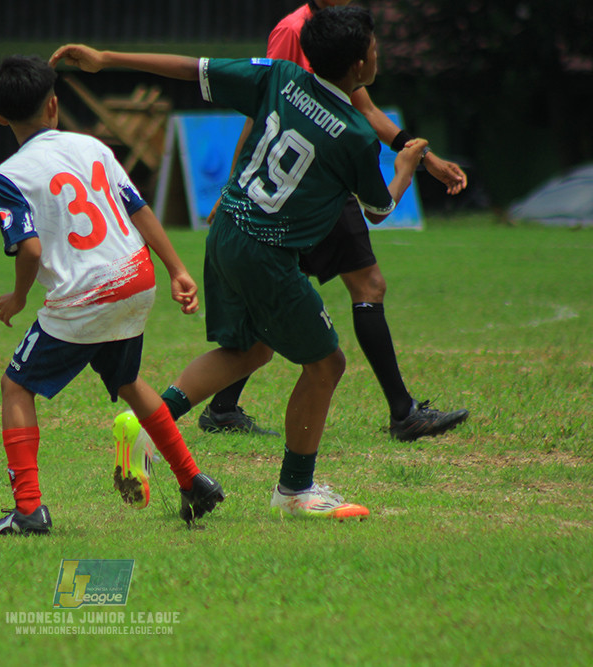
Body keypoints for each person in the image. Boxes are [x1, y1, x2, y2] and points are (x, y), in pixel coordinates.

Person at [52, 5, 428, 519]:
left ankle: (143, 427)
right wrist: (404, 165)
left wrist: (106, 57)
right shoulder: (356, 136)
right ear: (362, 65)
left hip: (227, 227)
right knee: (327, 364)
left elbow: (189, 69)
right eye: (375, 48)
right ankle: (295, 491)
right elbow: (379, 208)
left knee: (248, 352)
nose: (377, 53)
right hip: (267, 253)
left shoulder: (281, 75)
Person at [200, 0, 469, 442]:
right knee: (359, 288)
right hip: (308, 186)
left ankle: (222, 407)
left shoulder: (343, 30)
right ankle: (402, 414)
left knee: (299, 293)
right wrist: (239, 182)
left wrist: (426, 158)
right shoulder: (294, 31)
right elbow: (267, 108)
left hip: (323, 180)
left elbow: (365, 109)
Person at [0, 55, 224, 535]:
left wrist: (18, 295)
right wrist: (176, 268)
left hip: (87, 296)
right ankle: (193, 480)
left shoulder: (10, 174)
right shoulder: (91, 146)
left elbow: (28, 249)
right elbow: (139, 207)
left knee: (15, 386)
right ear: (53, 105)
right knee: (128, 380)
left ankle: (28, 509)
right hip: (136, 278)